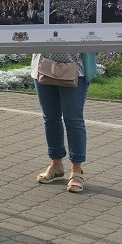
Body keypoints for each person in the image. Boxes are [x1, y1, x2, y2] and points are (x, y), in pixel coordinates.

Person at [33, 51, 96, 193]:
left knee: (73, 120)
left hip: (76, 68)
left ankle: (77, 171)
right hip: (43, 66)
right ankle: (56, 166)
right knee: (50, 118)